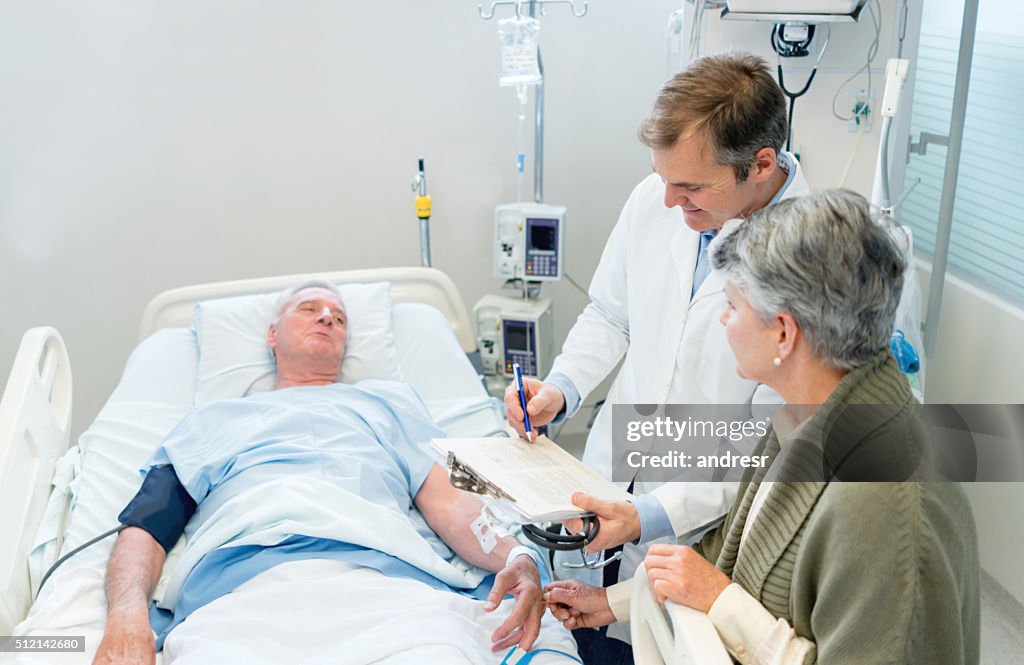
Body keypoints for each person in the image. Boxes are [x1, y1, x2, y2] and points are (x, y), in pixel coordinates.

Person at [544, 190, 980, 664]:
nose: (723, 320)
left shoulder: (885, 506)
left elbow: (729, 591)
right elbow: (731, 550)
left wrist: (724, 605)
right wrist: (613, 602)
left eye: (731, 305)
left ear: (783, 334)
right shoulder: (801, 420)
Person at [505, 52, 810, 658]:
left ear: (762, 165)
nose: (668, 200)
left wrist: (648, 513)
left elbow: (764, 442)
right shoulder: (658, 198)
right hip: (612, 470)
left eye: (691, 186)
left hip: (703, 519)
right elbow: (611, 314)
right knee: (591, 633)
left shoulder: (808, 254)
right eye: (662, 178)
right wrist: (561, 388)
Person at [91, 281, 555, 665]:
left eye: (339, 317)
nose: (327, 318)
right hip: (241, 596)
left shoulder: (388, 404)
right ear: (273, 335)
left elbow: (451, 504)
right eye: (309, 308)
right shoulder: (211, 420)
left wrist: (519, 557)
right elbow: (147, 528)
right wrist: (127, 616)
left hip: (388, 586)